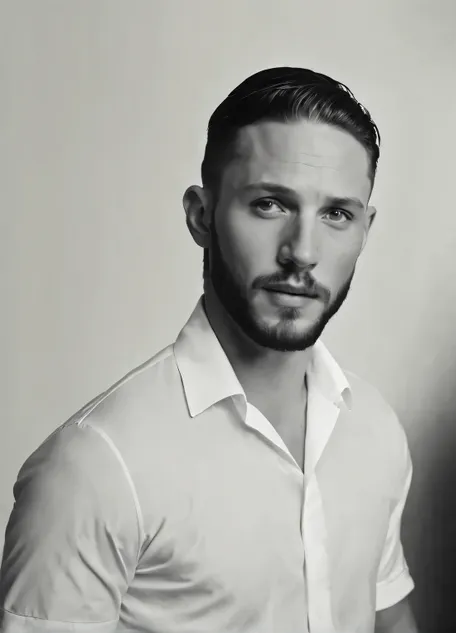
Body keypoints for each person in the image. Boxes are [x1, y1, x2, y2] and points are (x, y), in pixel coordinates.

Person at [0, 67, 418, 633]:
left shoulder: (375, 430)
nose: (303, 252)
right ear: (202, 216)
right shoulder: (93, 469)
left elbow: (389, 620)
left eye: (336, 214)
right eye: (270, 204)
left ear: (365, 230)